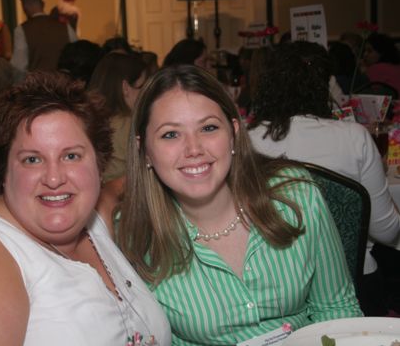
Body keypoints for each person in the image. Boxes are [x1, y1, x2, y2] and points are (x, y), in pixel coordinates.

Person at [0, 71, 171, 346]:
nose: (54, 178)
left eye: (71, 156)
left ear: (99, 164)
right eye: (32, 160)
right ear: (4, 172)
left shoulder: (94, 220)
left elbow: (119, 187)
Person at [114, 64, 362, 345]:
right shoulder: (134, 233)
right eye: (171, 134)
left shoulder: (296, 195)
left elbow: (337, 310)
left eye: (208, 128)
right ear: (144, 149)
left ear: (233, 132)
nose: (194, 149)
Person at [248, 40, 400, 316]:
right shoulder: (354, 137)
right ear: (324, 86)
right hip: (355, 283)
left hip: (275, 286)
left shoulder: (247, 141)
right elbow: (387, 231)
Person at [88, 52, 147, 209]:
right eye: (142, 87)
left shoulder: (86, 121)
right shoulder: (131, 125)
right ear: (126, 88)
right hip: (124, 204)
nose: (145, 94)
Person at [11, 0, 77, 73]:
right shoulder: (65, 27)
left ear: (25, 6)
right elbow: (76, 56)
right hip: (64, 82)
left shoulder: (22, 30)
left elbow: (19, 66)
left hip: (38, 84)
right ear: (43, 4)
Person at [363, 32, 400, 96]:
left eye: (369, 51)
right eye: (365, 51)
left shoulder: (376, 69)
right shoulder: (397, 66)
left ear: (381, 53)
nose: (365, 54)